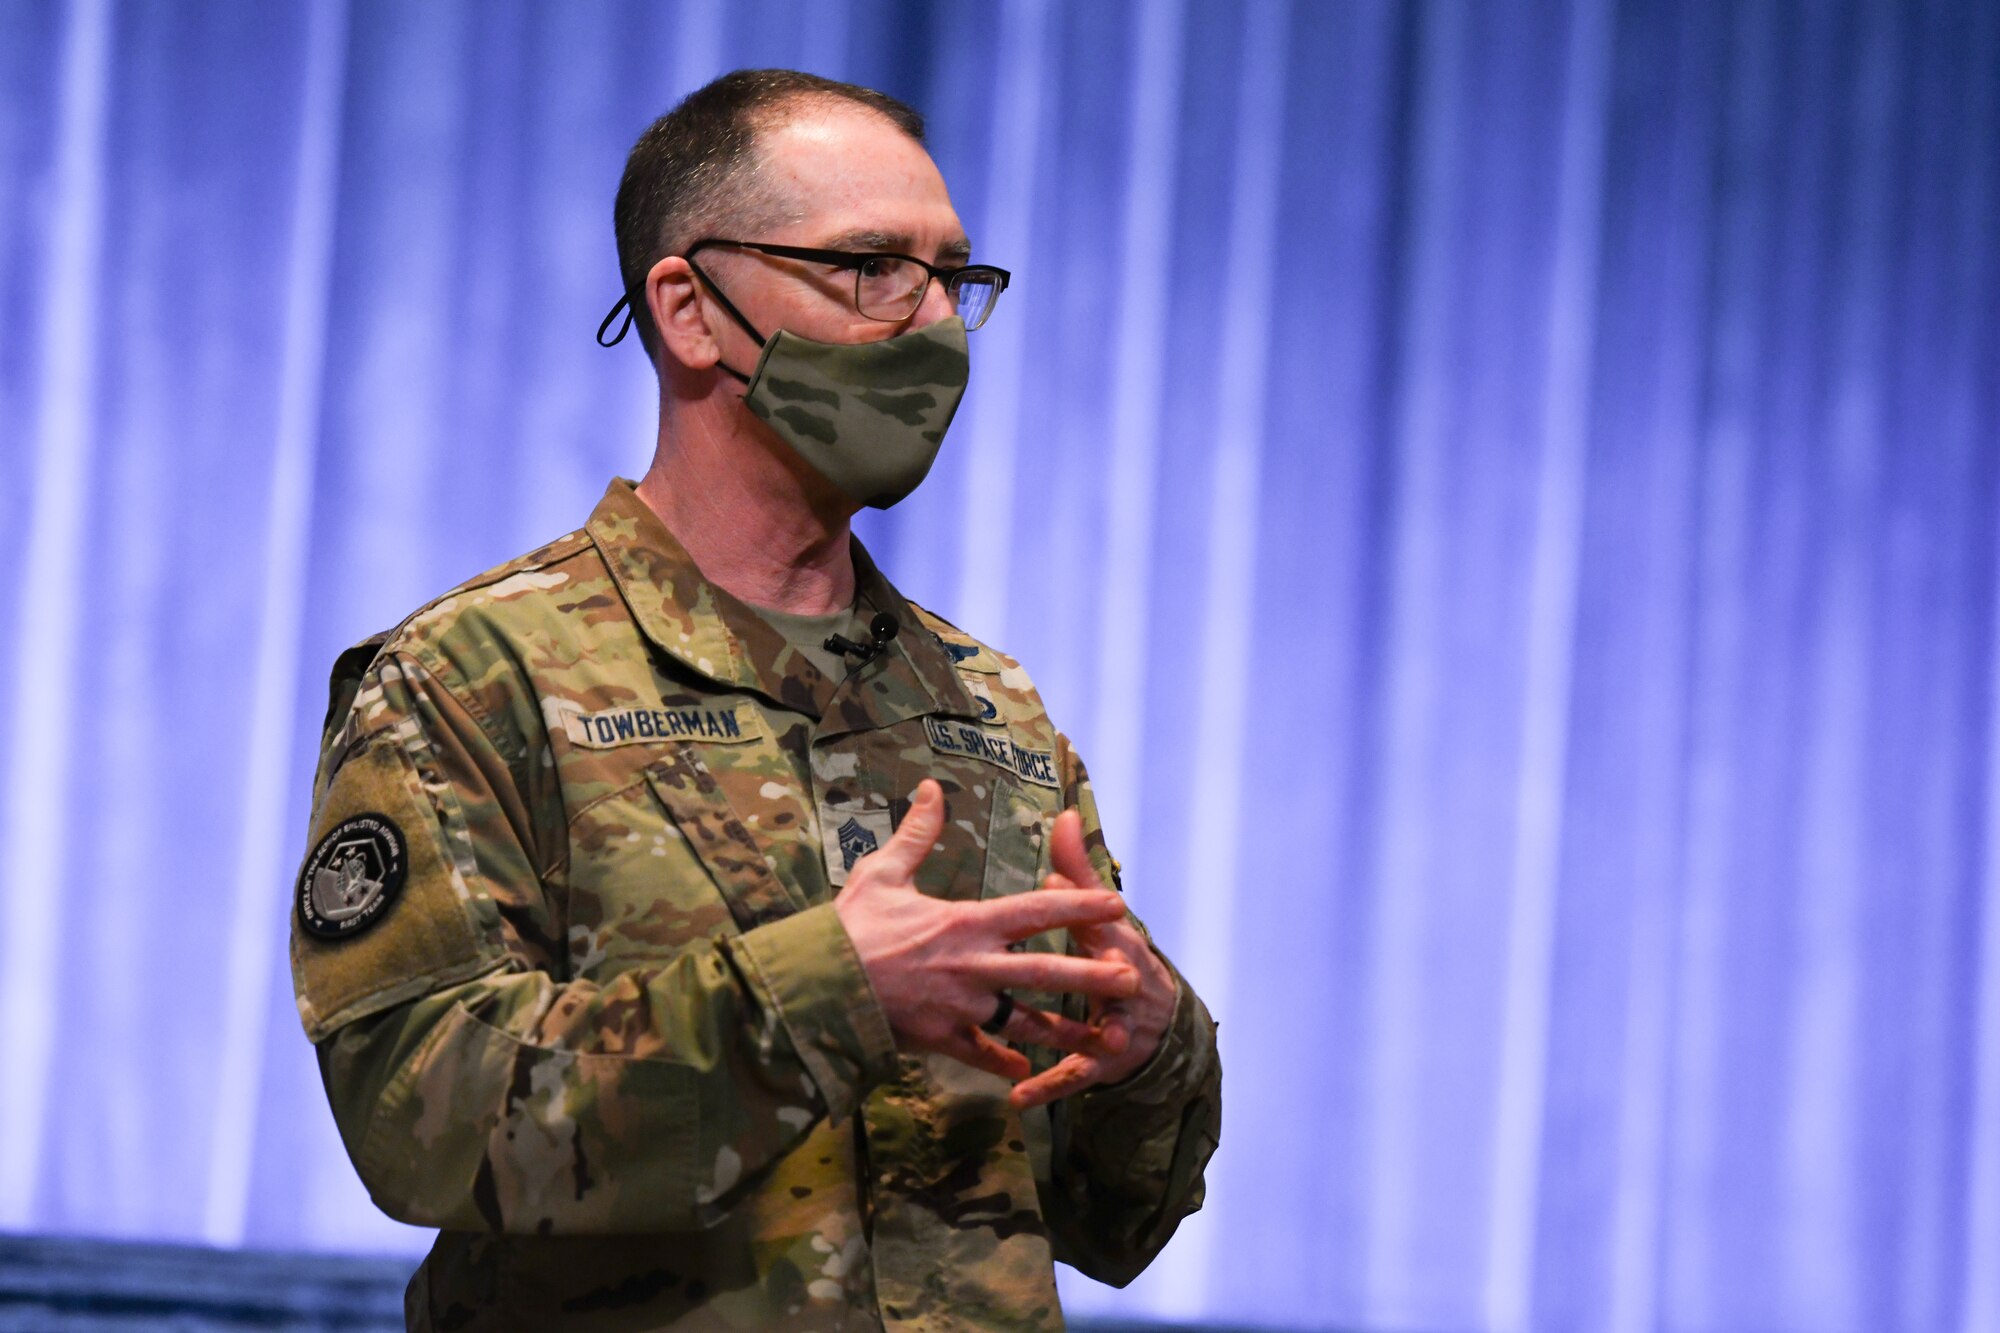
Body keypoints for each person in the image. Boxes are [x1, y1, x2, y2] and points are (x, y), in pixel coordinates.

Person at [291, 68, 1220, 1332]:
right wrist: (831, 987)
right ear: (691, 310)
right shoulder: (470, 675)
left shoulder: (987, 707)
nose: (932, 321)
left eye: (953, 276)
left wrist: (1148, 1048)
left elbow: (1113, 1219)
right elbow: (424, 1119)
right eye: (870, 267)